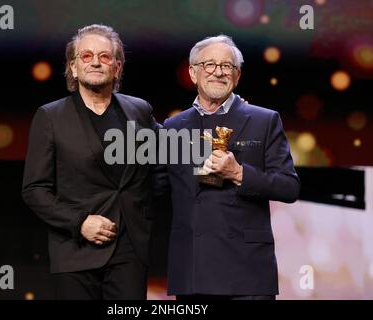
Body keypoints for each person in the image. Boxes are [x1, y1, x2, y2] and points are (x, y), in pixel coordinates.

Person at [22, 24, 161, 300]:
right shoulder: (50, 117)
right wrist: (79, 222)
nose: (96, 62)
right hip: (76, 252)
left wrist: (217, 115)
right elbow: (34, 189)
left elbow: (168, 156)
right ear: (73, 67)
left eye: (105, 57)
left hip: (129, 252)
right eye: (86, 56)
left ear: (117, 68)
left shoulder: (139, 110)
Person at [163, 35, 301, 300]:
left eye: (227, 66)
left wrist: (239, 173)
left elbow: (289, 186)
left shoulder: (265, 120)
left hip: (246, 273)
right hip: (192, 271)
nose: (218, 72)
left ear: (237, 76)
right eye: (209, 64)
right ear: (193, 73)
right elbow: (159, 185)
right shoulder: (173, 127)